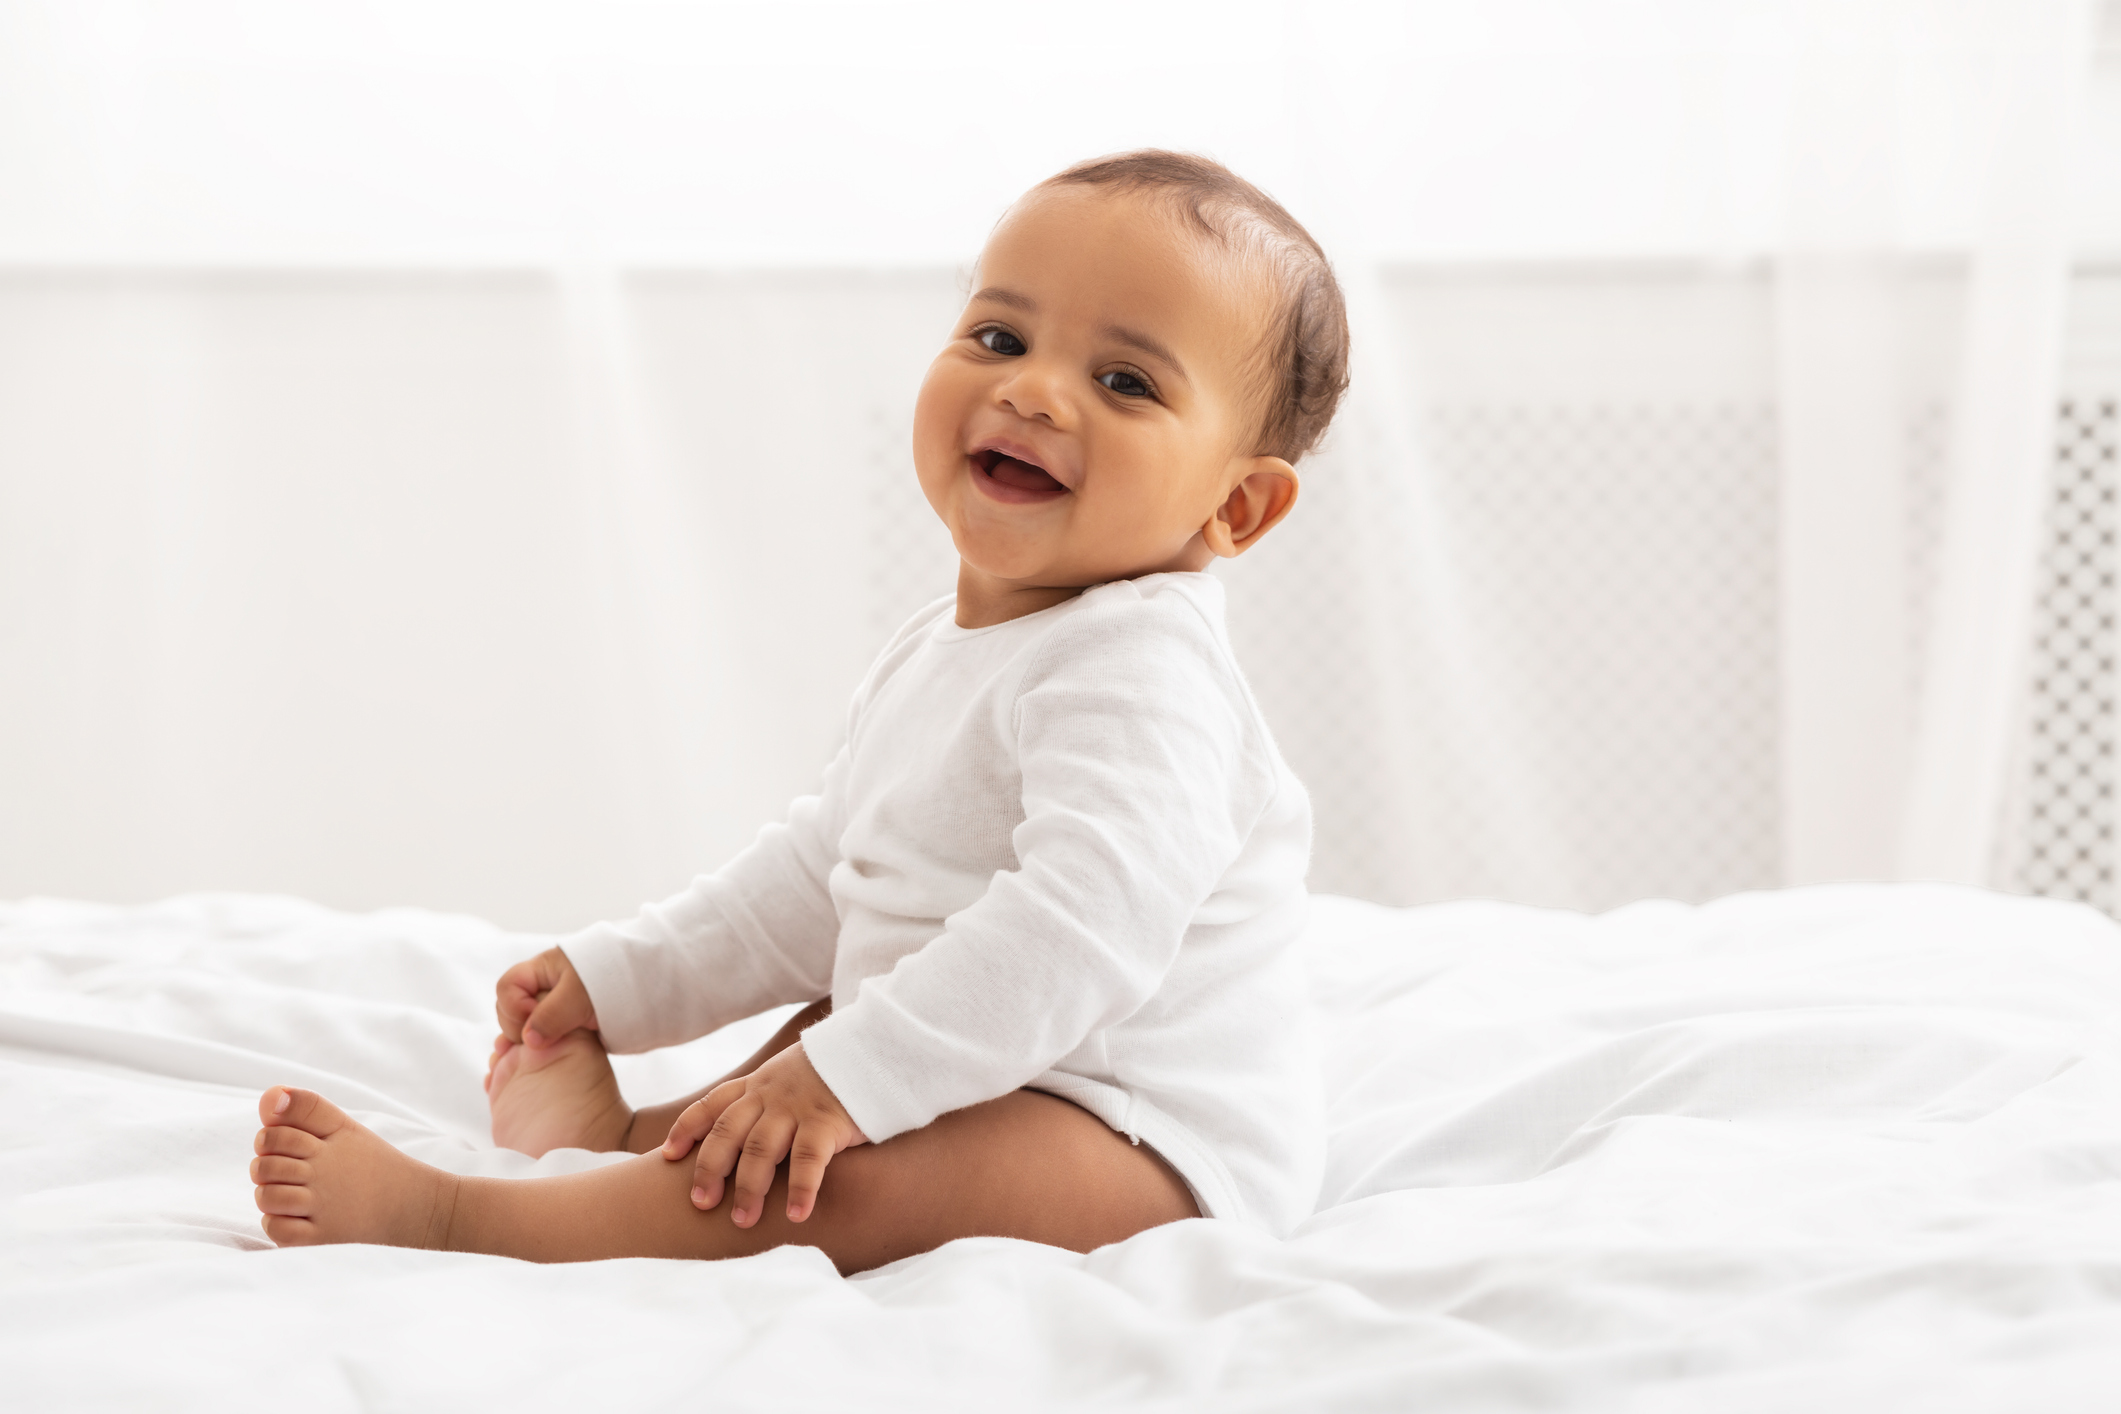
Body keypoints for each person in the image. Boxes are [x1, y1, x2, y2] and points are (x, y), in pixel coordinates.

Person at [246, 150, 1352, 1275]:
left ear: (1237, 503)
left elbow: (1076, 932)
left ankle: (465, 1223)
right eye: (1001, 338)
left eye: (1125, 381)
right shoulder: (945, 648)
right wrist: (624, 980)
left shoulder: (1146, 672)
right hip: (999, 1059)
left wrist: (838, 1082)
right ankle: (633, 1151)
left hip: (1141, 1129)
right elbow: (824, 877)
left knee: (842, 1146)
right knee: (826, 1034)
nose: (1031, 389)